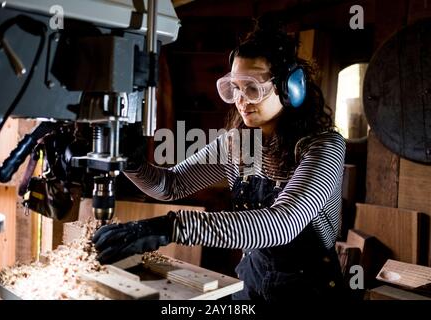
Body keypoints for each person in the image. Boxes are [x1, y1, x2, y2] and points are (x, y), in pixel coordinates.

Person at [92, 16, 347, 301]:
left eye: (253, 88)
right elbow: (170, 185)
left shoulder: (323, 147)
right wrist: (131, 162)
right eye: (235, 88)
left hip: (309, 292)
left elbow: (283, 222)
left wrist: (171, 227)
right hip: (254, 282)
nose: (241, 99)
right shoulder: (244, 144)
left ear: (290, 88)